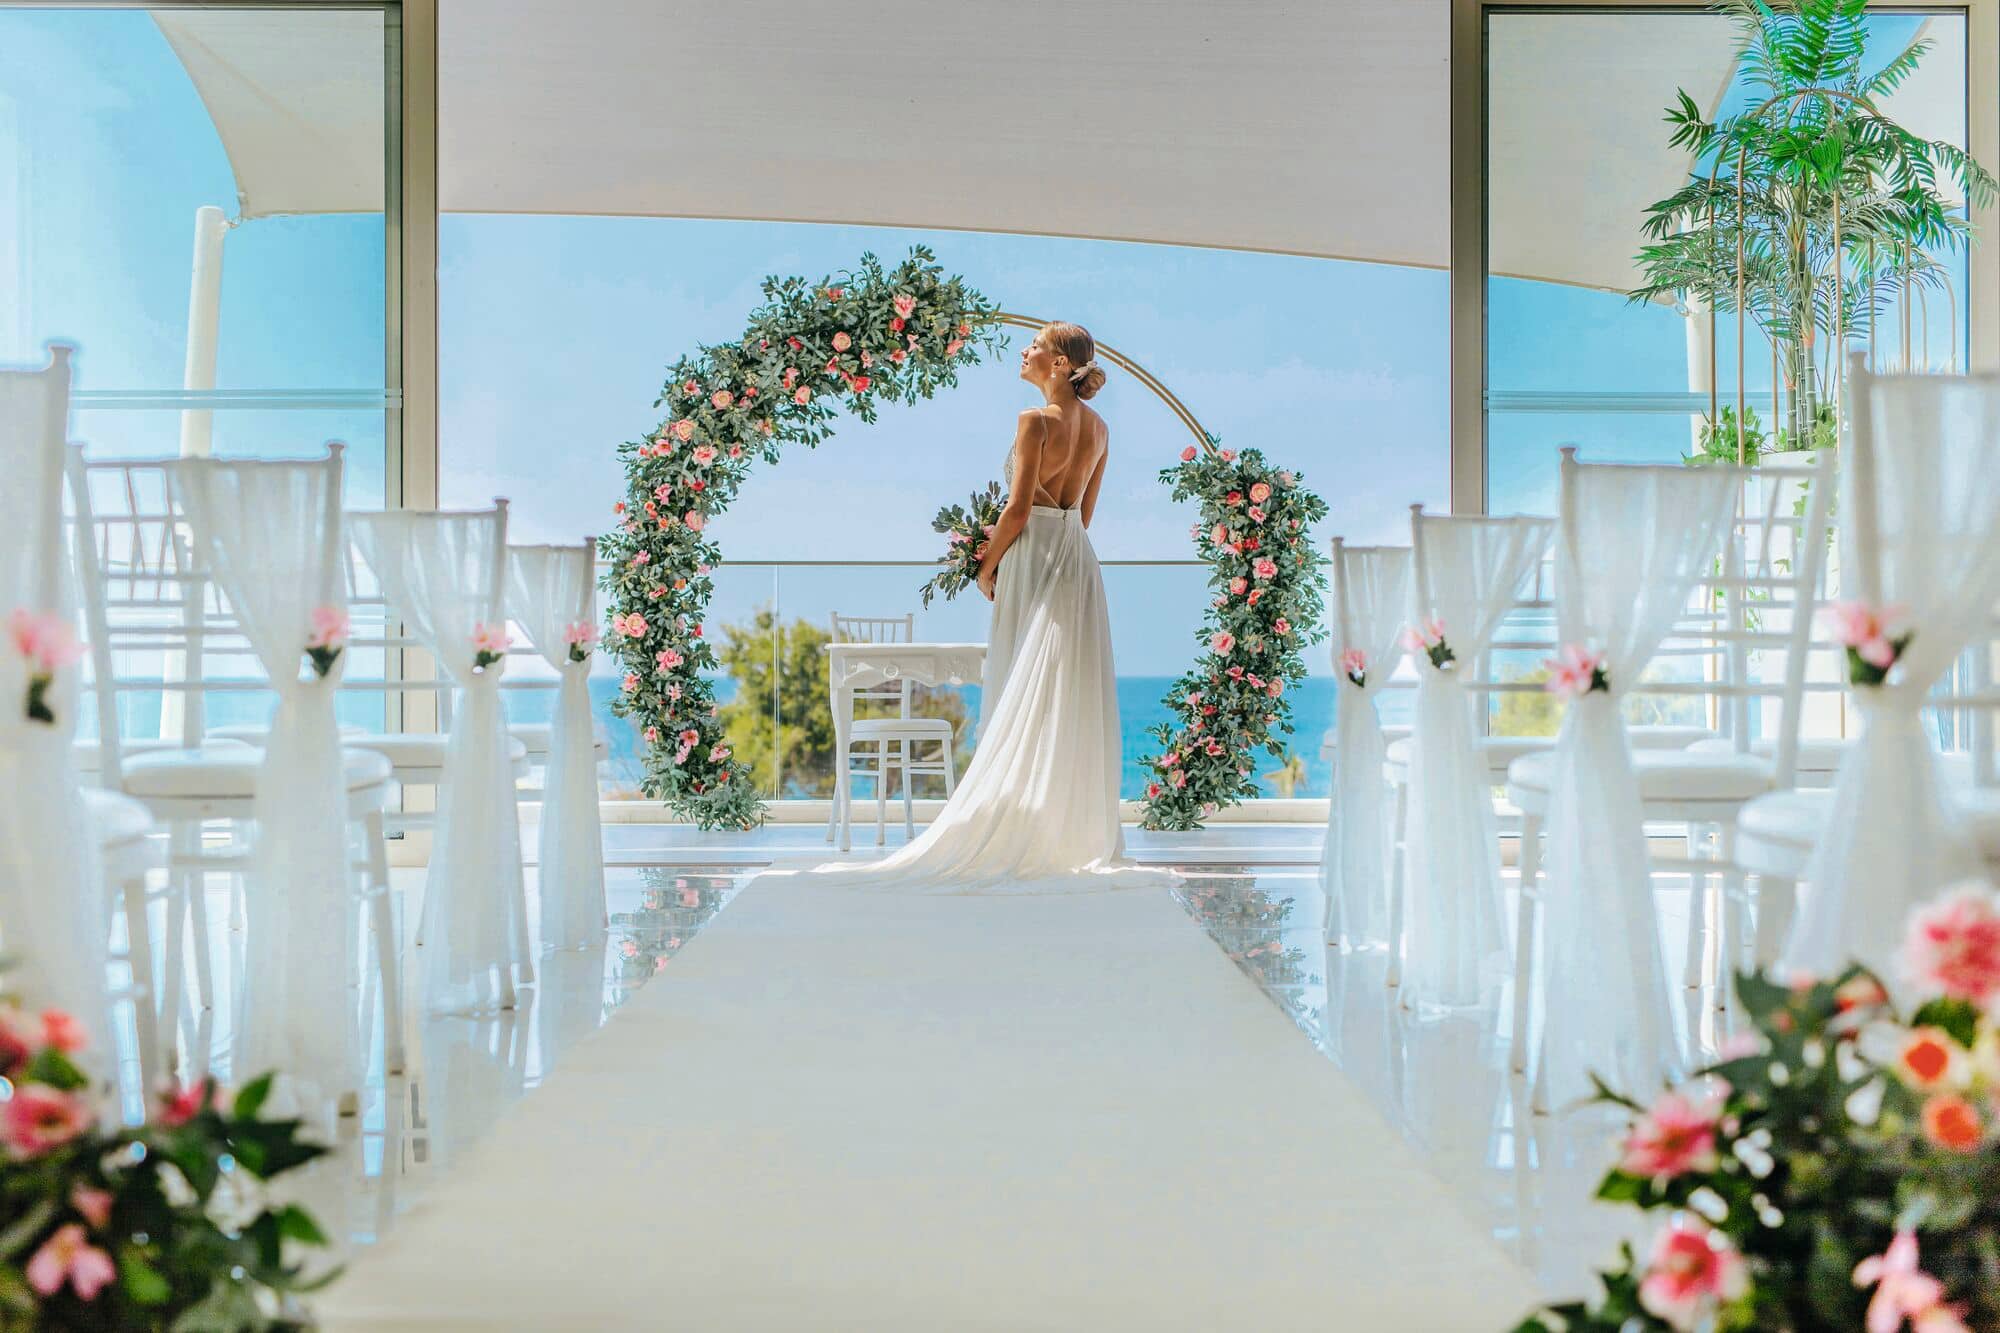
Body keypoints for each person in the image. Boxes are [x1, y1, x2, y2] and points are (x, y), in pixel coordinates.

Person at [789, 322, 1169, 893]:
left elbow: (1016, 511)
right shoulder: (1100, 429)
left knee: (1020, 676)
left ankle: (1017, 823)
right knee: (1064, 690)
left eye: (1036, 346)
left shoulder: (1034, 421)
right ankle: (1066, 829)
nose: (1025, 352)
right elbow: (1084, 516)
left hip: (1033, 553)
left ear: (1062, 363)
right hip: (1076, 558)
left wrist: (985, 566)